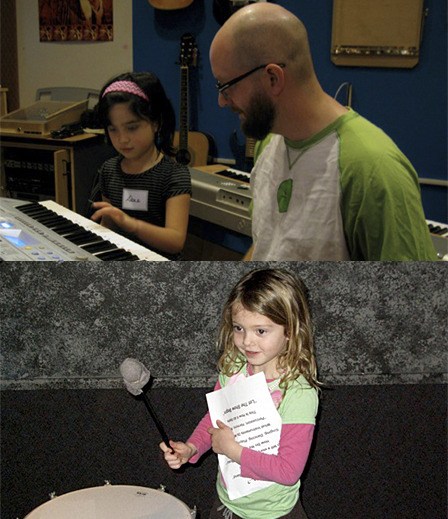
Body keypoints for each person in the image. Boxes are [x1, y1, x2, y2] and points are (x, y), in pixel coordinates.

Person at [209, 3, 438, 261]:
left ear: (272, 78)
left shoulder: (373, 169)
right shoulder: (269, 141)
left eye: (226, 86)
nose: (222, 101)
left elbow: (411, 294)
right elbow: (269, 244)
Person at [160, 268, 319, 519]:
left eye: (261, 331)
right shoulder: (234, 367)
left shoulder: (298, 392)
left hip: (273, 514)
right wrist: (192, 448)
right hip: (228, 504)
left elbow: (288, 471)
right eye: (239, 328)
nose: (247, 342)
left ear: (290, 331)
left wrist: (232, 450)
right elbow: (215, 419)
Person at [90, 71, 192, 259]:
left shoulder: (174, 175)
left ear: (156, 123)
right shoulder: (109, 170)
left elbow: (176, 241)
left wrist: (132, 225)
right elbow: (109, 226)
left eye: (132, 127)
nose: (122, 139)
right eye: (113, 129)